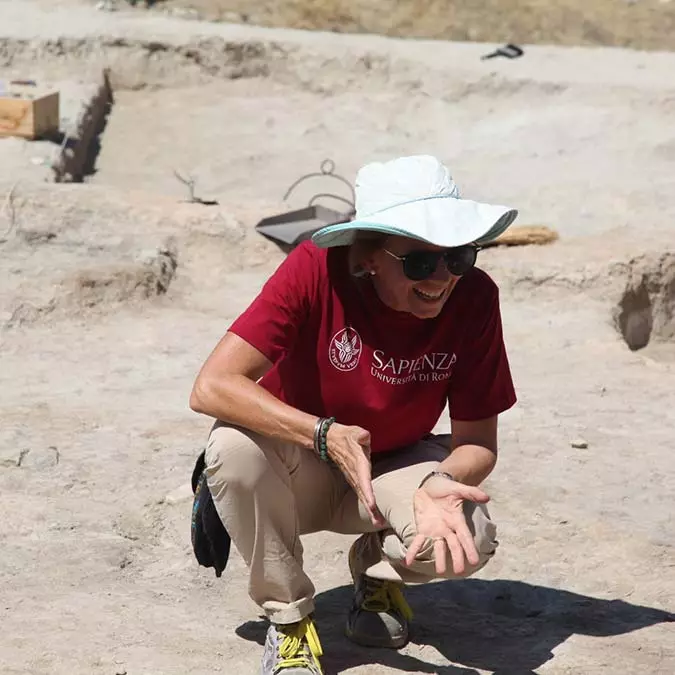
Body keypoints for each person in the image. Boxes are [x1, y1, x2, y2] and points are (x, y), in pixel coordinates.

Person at [189, 155, 519, 674]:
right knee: (230, 449)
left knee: (466, 537)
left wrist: (438, 480)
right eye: (419, 263)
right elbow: (211, 385)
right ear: (370, 258)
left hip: (395, 466)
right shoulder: (314, 270)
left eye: (458, 257)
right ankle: (291, 621)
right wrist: (323, 435)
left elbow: (478, 440)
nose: (442, 278)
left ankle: (376, 575)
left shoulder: (477, 298)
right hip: (300, 466)